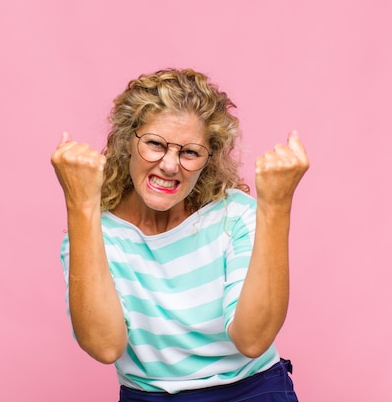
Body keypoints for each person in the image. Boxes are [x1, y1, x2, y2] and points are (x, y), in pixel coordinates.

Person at [51, 68, 309, 401]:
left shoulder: (236, 216)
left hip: (253, 392)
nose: (170, 166)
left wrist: (275, 205)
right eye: (155, 144)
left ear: (208, 159)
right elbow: (104, 346)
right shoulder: (92, 234)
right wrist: (80, 204)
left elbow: (252, 340)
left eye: (189, 152)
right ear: (127, 141)